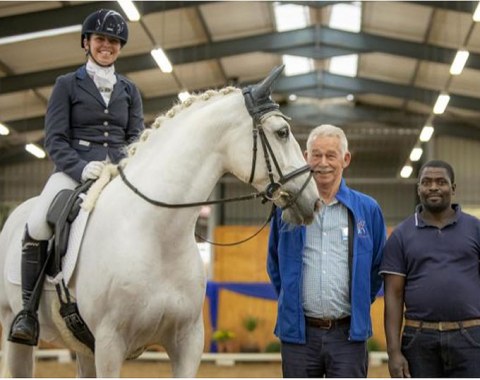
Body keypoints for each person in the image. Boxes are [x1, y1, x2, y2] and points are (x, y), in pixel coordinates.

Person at [8, 9, 145, 346]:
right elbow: (54, 138)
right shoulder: (66, 85)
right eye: (100, 39)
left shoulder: (130, 89)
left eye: (113, 41)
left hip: (118, 174)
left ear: (120, 47)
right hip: (74, 171)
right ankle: (27, 311)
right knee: (39, 223)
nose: (107, 46)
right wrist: (80, 167)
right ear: (87, 42)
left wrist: (125, 167)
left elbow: (136, 137)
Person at [267, 124, 386, 377]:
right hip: (299, 337)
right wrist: (291, 301)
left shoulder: (368, 209)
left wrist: (360, 299)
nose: (323, 163)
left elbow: (377, 267)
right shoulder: (286, 209)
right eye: (316, 154)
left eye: (331, 155)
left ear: (345, 159)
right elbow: (275, 263)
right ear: (305, 157)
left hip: (348, 337)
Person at [380, 159, 480, 378]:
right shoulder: (401, 235)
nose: (433, 187)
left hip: (472, 339)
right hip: (418, 341)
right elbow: (394, 295)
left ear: (453, 188)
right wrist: (394, 352)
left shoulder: (475, 228)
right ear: (419, 189)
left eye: (440, 182)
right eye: (426, 182)